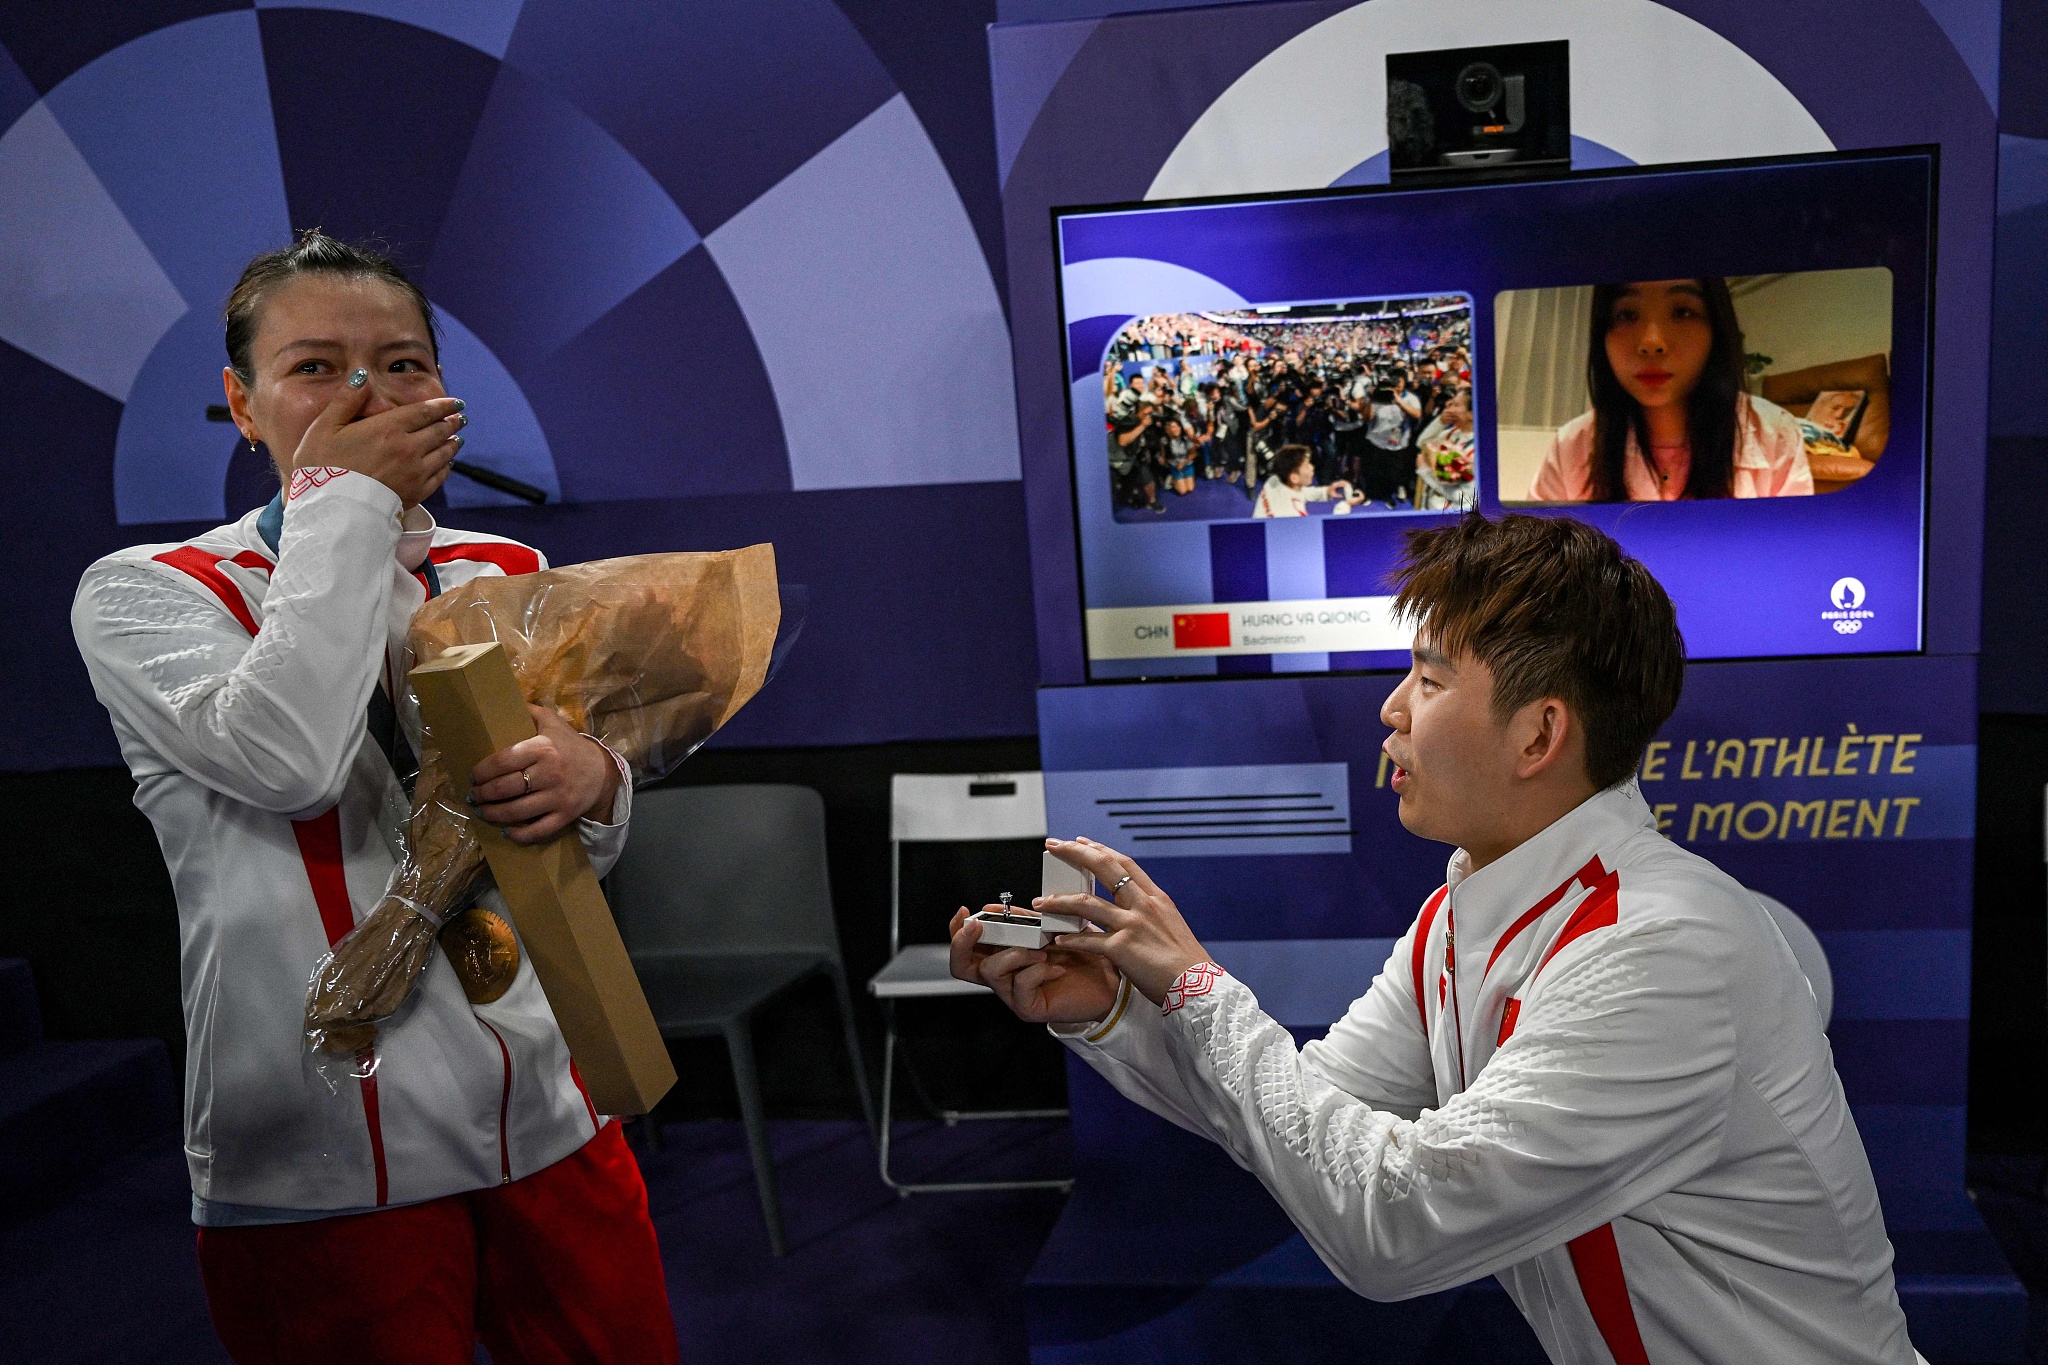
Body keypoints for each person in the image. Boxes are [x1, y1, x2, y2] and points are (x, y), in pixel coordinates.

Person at [950, 514, 1918, 1364]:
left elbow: (1395, 1228)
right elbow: (1301, 1122)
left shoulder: (1658, 953)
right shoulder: (1468, 910)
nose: (1390, 708)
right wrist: (1120, 1011)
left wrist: (1198, 990)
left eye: (1427, 676)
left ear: (1537, 737)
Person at [71, 232, 679, 1365]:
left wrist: (595, 787)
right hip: (319, 1159)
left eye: (401, 365)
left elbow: (556, 855)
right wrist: (343, 498)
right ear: (241, 406)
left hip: (545, 1116)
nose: (364, 395)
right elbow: (288, 761)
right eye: (314, 369)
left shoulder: (501, 568)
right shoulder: (150, 594)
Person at [1530, 278, 1812, 502]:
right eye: (1627, 315)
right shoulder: (1572, 445)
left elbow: (1795, 556)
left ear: (1716, 327)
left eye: (1682, 312)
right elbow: (1540, 559)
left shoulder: (1775, 433)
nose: (1652, 343)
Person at [1251, 444, 1359, 518]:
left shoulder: (1274, 480)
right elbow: (1328, 536)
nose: (1312, 467)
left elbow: (1300, 492)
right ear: (1294, 478)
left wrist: (1326, 491)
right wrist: (1346, 505)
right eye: (1307, 466)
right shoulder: (1294, 516)